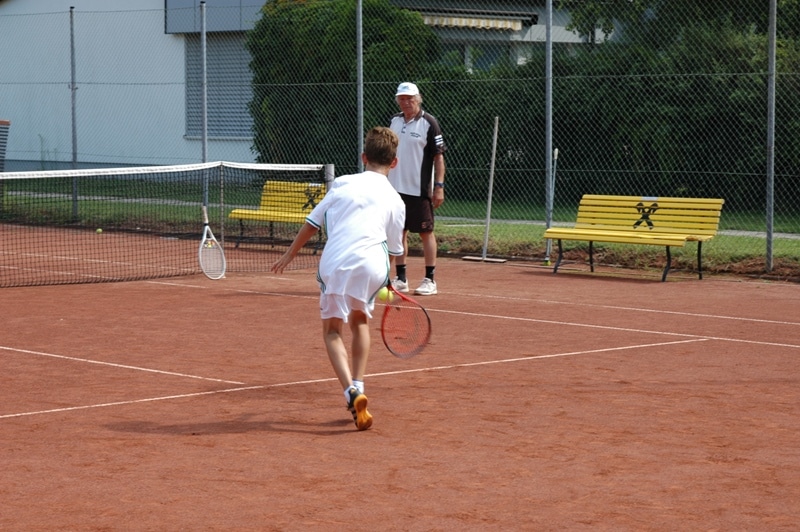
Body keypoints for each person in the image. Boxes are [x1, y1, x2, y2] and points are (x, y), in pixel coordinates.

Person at [271, 127, 405, 431]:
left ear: (363, 157)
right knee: (360, 323)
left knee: (332, 331)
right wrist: (386, 280)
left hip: (338, 262)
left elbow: (312, 224)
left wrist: (290, 254)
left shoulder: (343, 183)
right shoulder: (397, 200)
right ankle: (360, 384)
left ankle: (351, 392)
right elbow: (396, 249)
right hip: (373, 265)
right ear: (394, 162)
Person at [387, 81, 447, 296]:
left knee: (425, 232)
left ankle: (430, 280)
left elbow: (438, 158)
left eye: (409, 99)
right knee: (397, 233)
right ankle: (401, 278)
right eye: (402, 99)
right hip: (393, 190)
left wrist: (439, 186)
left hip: (419, 190)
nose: (406, 102)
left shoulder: (429, 123)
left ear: (418, 99)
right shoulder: (393, 121)